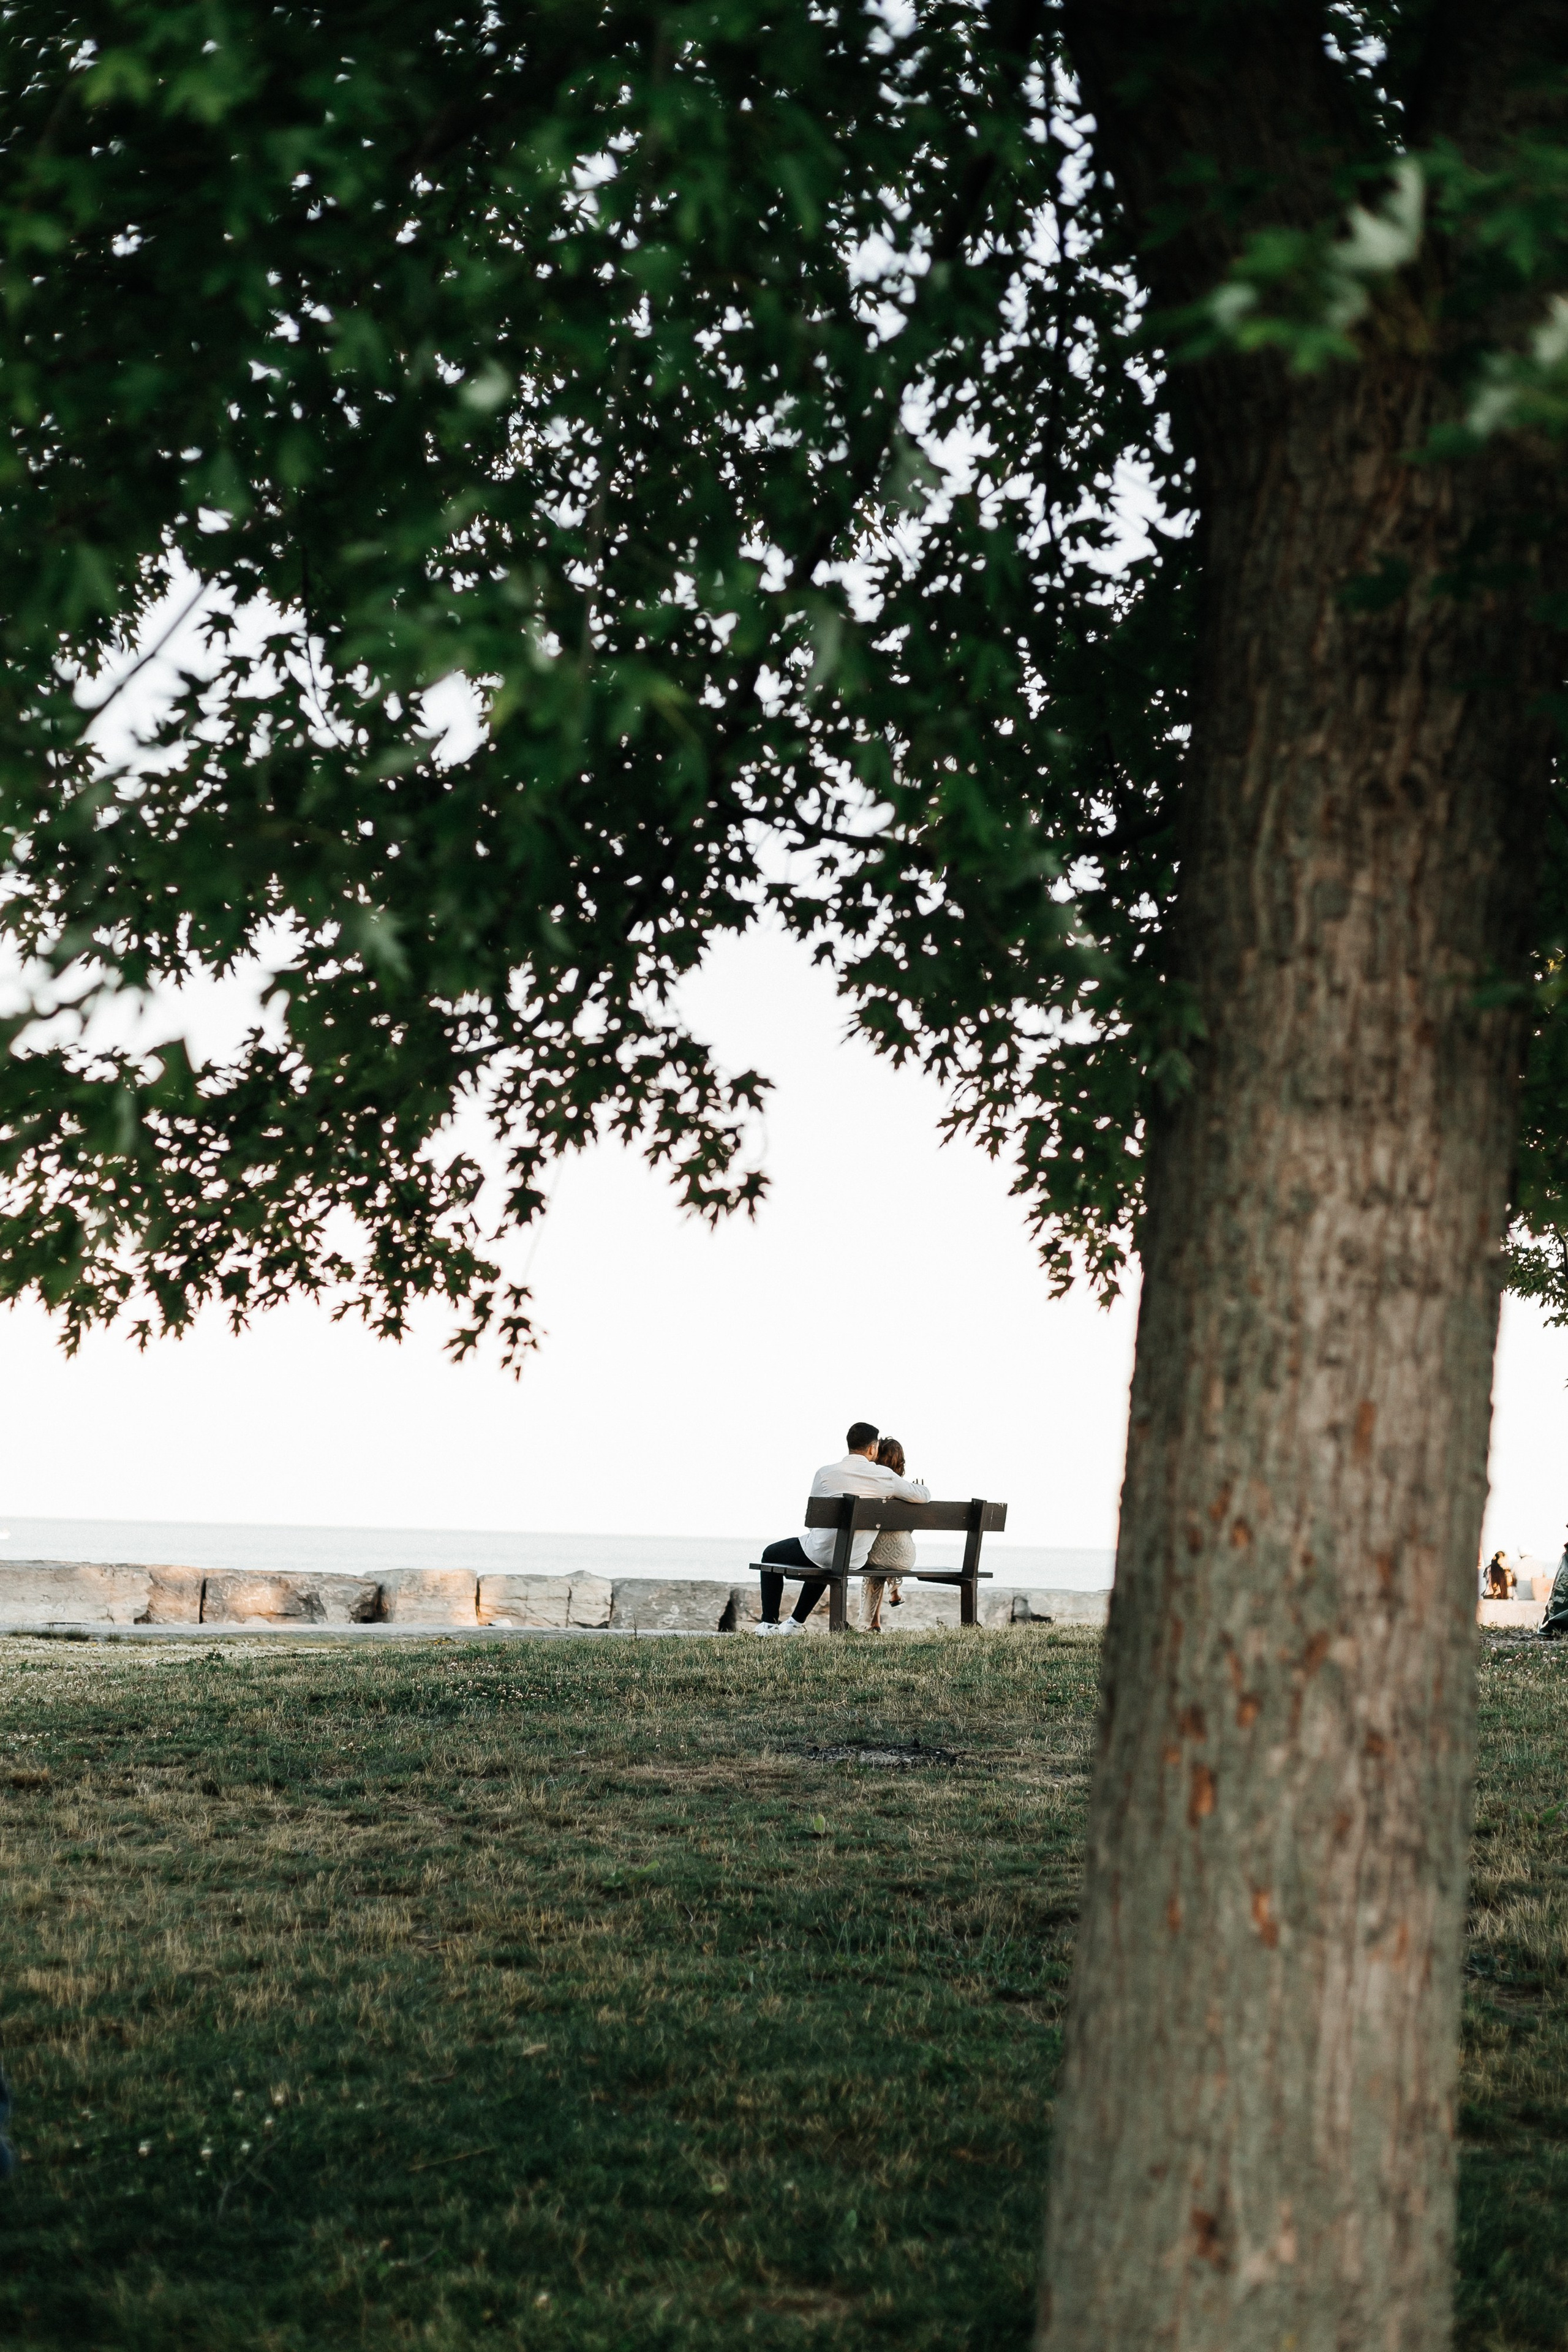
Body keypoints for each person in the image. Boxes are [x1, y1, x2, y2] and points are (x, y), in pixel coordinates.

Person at [753, 1420, 930, 1634]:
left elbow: (814, 1518)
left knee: (771, 1553)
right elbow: (923, 1495)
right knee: (827, 1560)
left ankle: (769, 1623)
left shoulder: (825, 1473)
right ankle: (794, 1623)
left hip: (820, 1552)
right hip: (854, 1558)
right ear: (873, 1448)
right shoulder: (885, 1477)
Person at [864, 1436, 917, 1630]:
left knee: (876, 1556)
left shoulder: (871, 1488)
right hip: (905, 1558)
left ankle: (873, 1622)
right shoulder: (908, 1491)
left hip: (874, 1556)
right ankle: (895, 1591)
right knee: (893, 1546)